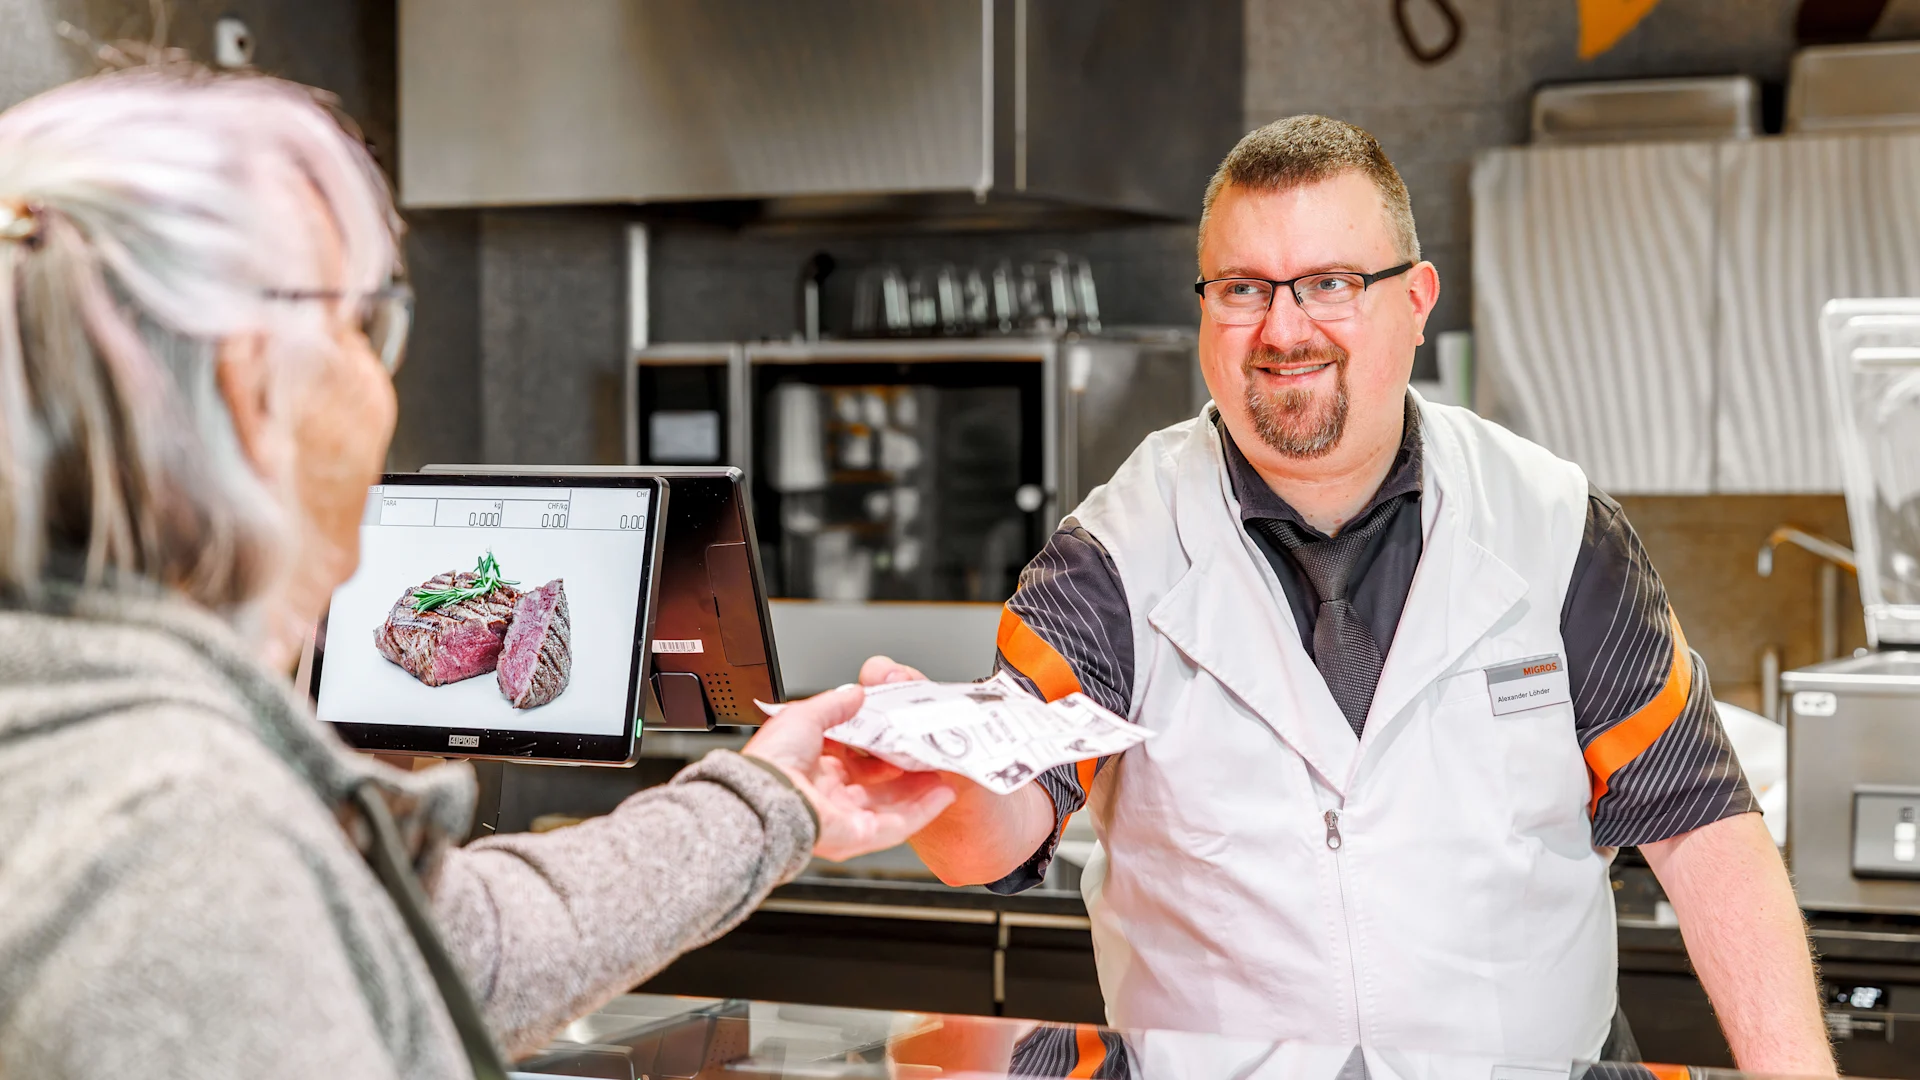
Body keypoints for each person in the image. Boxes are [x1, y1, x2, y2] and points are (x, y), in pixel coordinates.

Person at [0, 65, 954, 1079]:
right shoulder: (185, 840)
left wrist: (771, 796)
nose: (382, 381)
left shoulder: (89, 749)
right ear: (253, 391)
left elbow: (448, 954)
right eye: (359, 327)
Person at [865, 116, 1835, 1074]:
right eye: (1243, 289)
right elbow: (995, 835)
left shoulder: (1556, 526)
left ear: (1416, 300)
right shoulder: (1112, 557)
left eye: (1331, 283)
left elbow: (1704, 830)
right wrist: (931, 774)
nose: (1284, 330)